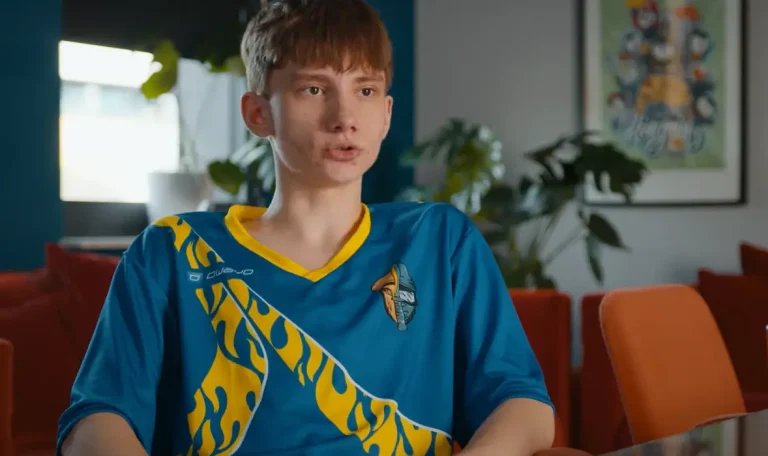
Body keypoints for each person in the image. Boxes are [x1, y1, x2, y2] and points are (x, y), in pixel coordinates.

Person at [56, 0, 555, 454]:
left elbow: (523, 404)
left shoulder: (440, 241)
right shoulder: (171, 251)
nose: (344, 118)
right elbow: (96, 420)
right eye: (314, 89)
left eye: (365, 90)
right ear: (258, 113)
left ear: (385, 115)